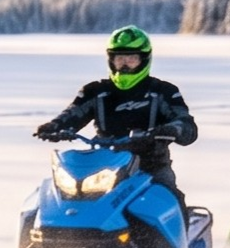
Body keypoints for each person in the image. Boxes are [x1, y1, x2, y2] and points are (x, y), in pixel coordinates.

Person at [33, 26, 198, 203]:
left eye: (131, 59)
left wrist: (172, 129)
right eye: (120, 59)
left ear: (144, 59)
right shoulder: (95, 91)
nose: (125, 65)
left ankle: (182, 230)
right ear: (111, 60)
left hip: (150, 165)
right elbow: (73, 113)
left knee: (170, 199)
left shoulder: (163, 92)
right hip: (105, 167)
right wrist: (55, 126)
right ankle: (47, 229)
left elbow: (186, 123)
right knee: (57, 198)